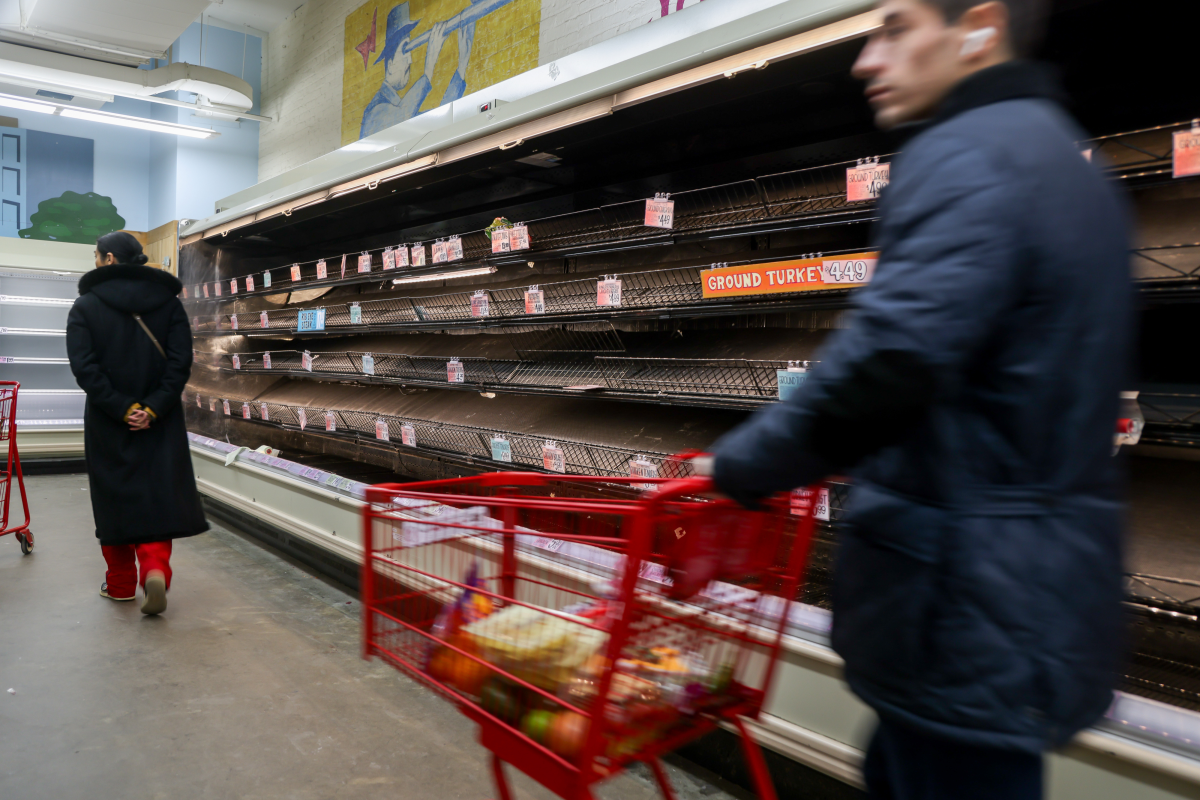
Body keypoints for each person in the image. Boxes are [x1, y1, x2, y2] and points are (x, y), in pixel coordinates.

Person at [702, 1, 1132, 797]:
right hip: (1035, 593)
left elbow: (890, 360)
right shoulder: (1072, 168)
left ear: (979, 27)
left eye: (895, 29)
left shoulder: (969, 154)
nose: (867, 60)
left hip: (959, 605)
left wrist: (740, 466)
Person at [66, 232, 209, 616]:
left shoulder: (86, 306)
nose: (94, 262)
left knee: (114, 497)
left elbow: (85, 368)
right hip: (160, 420)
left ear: (109, 259)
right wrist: (153, 408)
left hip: (108, 420)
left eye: (96, 256)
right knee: (158, 493)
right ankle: (155, 569)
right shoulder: (168, 303)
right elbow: (180, 362)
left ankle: (121, 584)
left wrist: (122, 408)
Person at [360, 3, 475, 139]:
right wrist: (429, 67)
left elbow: (439, 122)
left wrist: (462, 65)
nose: (410, 60)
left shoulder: (402, 108)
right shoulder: (374, 113)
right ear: (390, 65)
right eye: (405, 50)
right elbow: (401, 118)